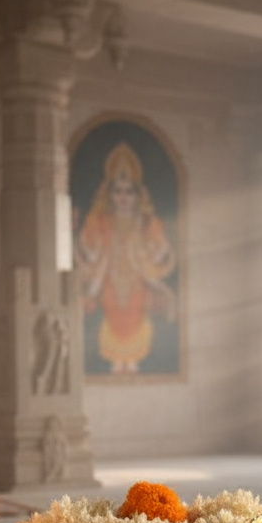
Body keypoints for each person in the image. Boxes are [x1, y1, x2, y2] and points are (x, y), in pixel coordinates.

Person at [76, 142, 176, 374]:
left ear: (138, 195)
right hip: (109, 281)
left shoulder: (148, 223)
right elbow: (89, 252)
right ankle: (116, 363)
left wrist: (147, 251)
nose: (123, 197)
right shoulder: (100, 221)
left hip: (137, 283)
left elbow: (161, 253)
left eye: (129, 191)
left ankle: (132, 363)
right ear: (109, 194)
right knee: (112, 320)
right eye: (117, 191)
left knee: (136, 319)